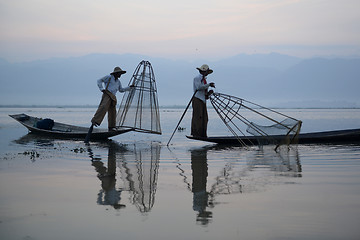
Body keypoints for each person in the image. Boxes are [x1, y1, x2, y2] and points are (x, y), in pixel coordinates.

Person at [91, 66, 134, 131]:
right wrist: (102, 89)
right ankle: (95, 121)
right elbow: (99, 80)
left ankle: (111, 127)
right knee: (103, 107)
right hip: (107, 94)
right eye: (119, 73)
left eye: (120, 74)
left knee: (113, 112)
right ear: (116, 73)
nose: (120, 75)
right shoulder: (109, 77)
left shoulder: (118, 81)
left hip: (113, 96)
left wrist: (129, 88)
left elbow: (121, 90)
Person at [191, 64, 215, 138]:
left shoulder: (204, 80)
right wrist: (209, 85)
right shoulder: (197, 78)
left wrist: (209, 93)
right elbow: (198, 87)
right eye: (206, 72)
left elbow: (203, 93)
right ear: (203, 71)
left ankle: (203, 134)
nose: (207, 73)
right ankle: (196, 134)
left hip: (203, 100)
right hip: (197, 99)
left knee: (205, 118)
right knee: (198, 117)